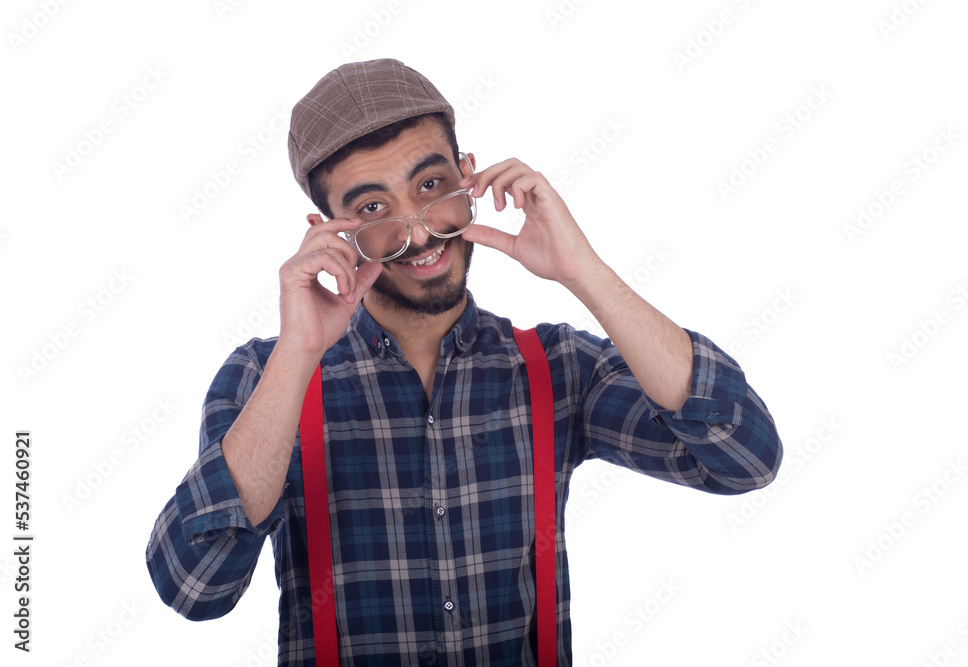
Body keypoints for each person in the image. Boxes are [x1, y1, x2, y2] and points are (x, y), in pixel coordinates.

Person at [145, 58, 783, 665]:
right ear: (328, 228)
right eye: (373, 209)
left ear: (467, 175)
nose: (420, 233)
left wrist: (583, 272)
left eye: (431, 186)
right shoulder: (266, 377)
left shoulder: (556, 366)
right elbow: (196, 587)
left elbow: (745, 458)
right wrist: (299, 351)